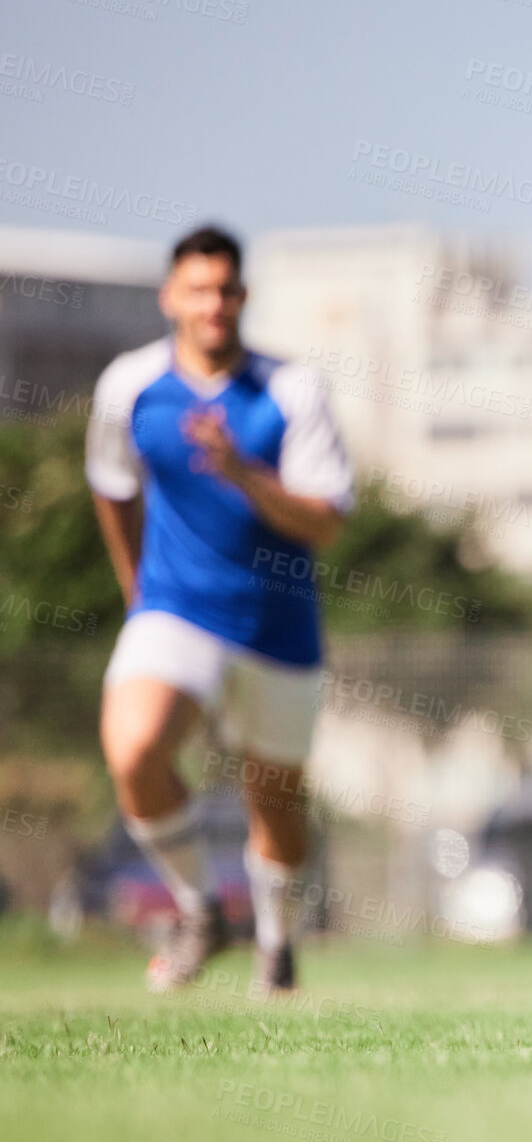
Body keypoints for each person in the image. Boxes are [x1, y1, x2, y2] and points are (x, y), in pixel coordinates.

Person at [86, 226, 354, 995]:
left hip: (277, 624)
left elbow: (326, 520)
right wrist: (137, 590)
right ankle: (199, 909)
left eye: (227, 289)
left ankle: (277, 947)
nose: (214, 304)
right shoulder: (129, 386)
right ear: (171, 297)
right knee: (134, 750)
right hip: (176, 613)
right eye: (198, 289)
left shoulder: (289, 388)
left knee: (276, 802)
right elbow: (113, 488)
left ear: (244, 297)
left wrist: (244, 474)